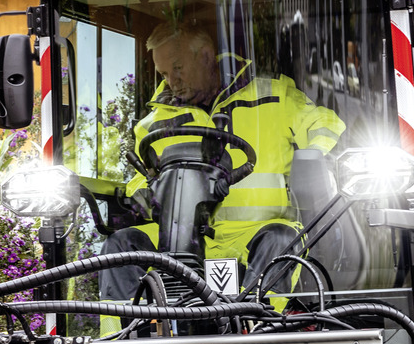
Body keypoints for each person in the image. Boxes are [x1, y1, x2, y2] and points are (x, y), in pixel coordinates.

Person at [100, 20, 346, 304]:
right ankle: (132, 337)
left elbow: (323, 123)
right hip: (181, 240)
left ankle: (262, 329)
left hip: (256, 233)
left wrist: (314, 153)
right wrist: (142, 194)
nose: (172, 81)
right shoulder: (152, 125)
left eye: (177, 68)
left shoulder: (273, 95)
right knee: (119, 245)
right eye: (164, 73)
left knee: (280, 239)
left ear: (205, 56)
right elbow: (141, 179)